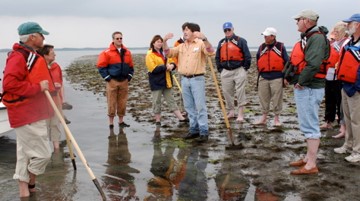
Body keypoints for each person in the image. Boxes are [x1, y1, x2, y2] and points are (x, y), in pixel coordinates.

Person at [2, 22, 55, 198]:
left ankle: (24, 192)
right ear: (32, 37)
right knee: (44, 155)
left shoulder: (31, 55)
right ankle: (32, 181)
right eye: (41, 34)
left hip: (30, 113)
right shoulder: (19, 57)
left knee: (24, 155)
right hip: (26, 114)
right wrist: (37, 88)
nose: (44, 38)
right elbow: (9, 85)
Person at [284, 10, 330, 175]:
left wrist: (301, 82)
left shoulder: (316, 38)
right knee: (306, 123)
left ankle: (311, 164)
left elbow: (313, 64)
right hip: (307, 86)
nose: (296, 22)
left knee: (310, 125)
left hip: (310, 87)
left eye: (298, 19)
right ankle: (307, 158)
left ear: (307, 21)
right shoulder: (309, 37)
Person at [163, 22, 215, 143]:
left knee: (200, 106)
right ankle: (193, 129)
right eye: (184, 30)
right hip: (184, 79)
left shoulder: (201, 43)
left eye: (187, 30)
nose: (185, 32)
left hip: (197, 79)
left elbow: (211, 52)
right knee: (188, 106)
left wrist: (205, 39)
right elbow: (168, 53)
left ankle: (203, 131)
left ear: (194, 32)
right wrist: (165, 41)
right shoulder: (182, 46)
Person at [333, 13, 360, 163]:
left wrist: (357, 86)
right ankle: (348, 145)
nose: (347, 25)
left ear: (358, 25)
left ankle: (357, 150)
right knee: (348, 118)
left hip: (356, 87)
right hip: (345, 84)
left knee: (357, 121)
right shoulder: (349, 42)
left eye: (350, 23)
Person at [145, 35, 187, 125]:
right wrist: (165, 67)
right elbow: (153, 68)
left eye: (161, 42)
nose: (160, 43)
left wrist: (172, 65)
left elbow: (172, 61)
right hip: (156, 81)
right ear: (153, 43)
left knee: (171, 100)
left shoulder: (165, 52)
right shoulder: (150, 54)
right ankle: (158, 120)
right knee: (157, 101)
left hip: (167, 80)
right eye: (158, 42)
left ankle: (181, 118)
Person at [215, 22, 252, 122]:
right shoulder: (221, 42)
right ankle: (231, 111)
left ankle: (240, 114)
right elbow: (217, 57)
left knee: (240, 92)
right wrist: (220, 69)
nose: (227, 32)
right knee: (227, 92)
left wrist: (244, 68)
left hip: (239, 70)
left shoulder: (241, 41)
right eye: (225, 30)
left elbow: (247, 56)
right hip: (225, 71)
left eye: (229, 29)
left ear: (233, 29)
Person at [97, 31, 134, 129]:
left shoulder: (127, 52)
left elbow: (131, 66)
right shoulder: (106, 52)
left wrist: (129, 76)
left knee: (123, 101)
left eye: (121, 38)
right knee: (111, 102)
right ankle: (111, 123)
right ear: (113, 39)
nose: (119, 40)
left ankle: (121, 122)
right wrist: (107, 78)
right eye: (117, 38)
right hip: (112, 80)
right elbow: (101, 66)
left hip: (124, 81)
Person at [37, 44, 71, 152]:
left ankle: (56, 149)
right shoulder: (38, 68)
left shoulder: (57, 67)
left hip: (56, 101)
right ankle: (44, 151)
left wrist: (63, 100)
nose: (55, 54)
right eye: (52, 53)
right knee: (44, 127)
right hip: (43, 103)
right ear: (45, 55)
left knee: (56, 124)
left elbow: (61, 84)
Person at [320, 22, 350, 138]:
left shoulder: (346, 43)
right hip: (329, 74)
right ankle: (328, 121)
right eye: (335, 32)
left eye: (337, 32)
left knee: (340, 101)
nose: (335, 34)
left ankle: (342, 125)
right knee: (329, 99)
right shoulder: (332, 43)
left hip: (339, 76)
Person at [254, 27, 289, 126]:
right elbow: (258, 60)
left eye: (266, 35)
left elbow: (287, 62)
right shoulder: (261, 47)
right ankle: (264, 118)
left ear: (273, 36)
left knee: (277, 98)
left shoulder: (280, 47)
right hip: (263, 77)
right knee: (263, 98)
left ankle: (276, 119)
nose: (264, 37)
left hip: (277, 77)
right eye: (264, 35)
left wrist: (285, 77)